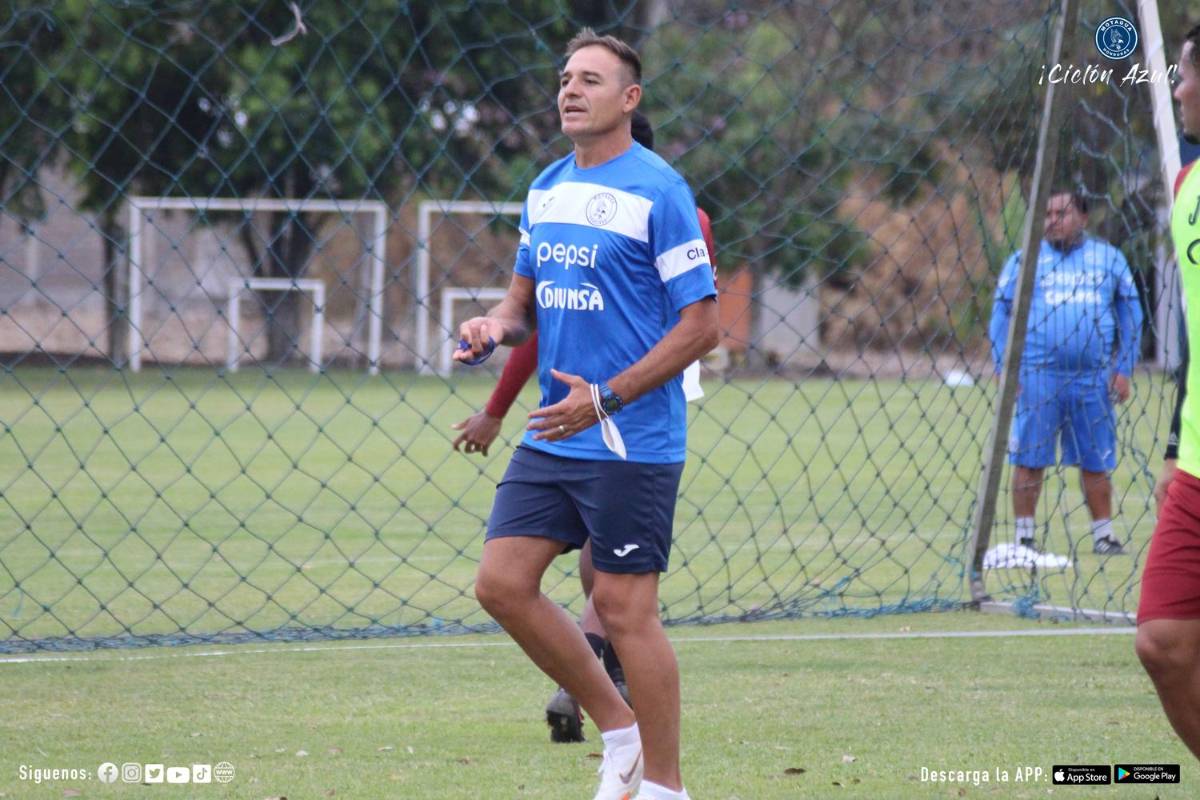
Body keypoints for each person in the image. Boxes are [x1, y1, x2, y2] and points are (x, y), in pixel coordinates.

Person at [454, 28, 718, 800]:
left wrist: (606, 395)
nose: (570, 90)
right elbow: (521, 302)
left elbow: (700, 326)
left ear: (629, 100)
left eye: (591, 80)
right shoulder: (545, 188)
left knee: (623, 609)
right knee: (501, 585)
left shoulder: (660, 191)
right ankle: (621, 733)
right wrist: (491, 326)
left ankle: (665, 789)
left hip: (629, 435)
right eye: (566, 78)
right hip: (555, 433)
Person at [988, 189, 1143, 556]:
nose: (1053, 220)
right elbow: (1000, 314)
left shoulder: (1108, 258)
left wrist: (1124, 368)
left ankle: (1103, 534)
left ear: (1083, 218)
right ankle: (1024, 538)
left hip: (1092, 378)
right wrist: (1002, 368)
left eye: (1062, 212)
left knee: (1096, 459)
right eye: (1047, 213)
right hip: (1037, 377)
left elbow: (1131, 313)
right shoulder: (1024, 260)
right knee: (1029, 458)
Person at [1137, 23, 1200, 761]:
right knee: (1162, 641)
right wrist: (1177, 448)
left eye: (1185, 74)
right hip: (1194, 472)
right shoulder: (1186, 185)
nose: (1177, 89)